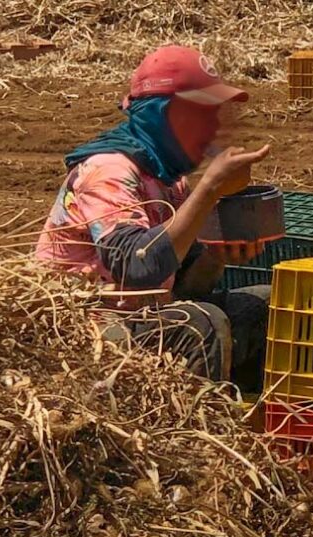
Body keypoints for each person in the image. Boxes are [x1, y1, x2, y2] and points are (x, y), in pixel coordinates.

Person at [36, 45, 271, 391]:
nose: (212, 128)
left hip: (140, 317)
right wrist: (209, 190)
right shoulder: (108, 170)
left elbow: (182, 288)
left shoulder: (171, 180)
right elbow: (136, 267)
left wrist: (214, 258)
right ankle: (196, 435)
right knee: (199, 324)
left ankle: (255, 421)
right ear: (162, 116)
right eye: (200, 115)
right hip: (82, 326)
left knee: (265, 304)